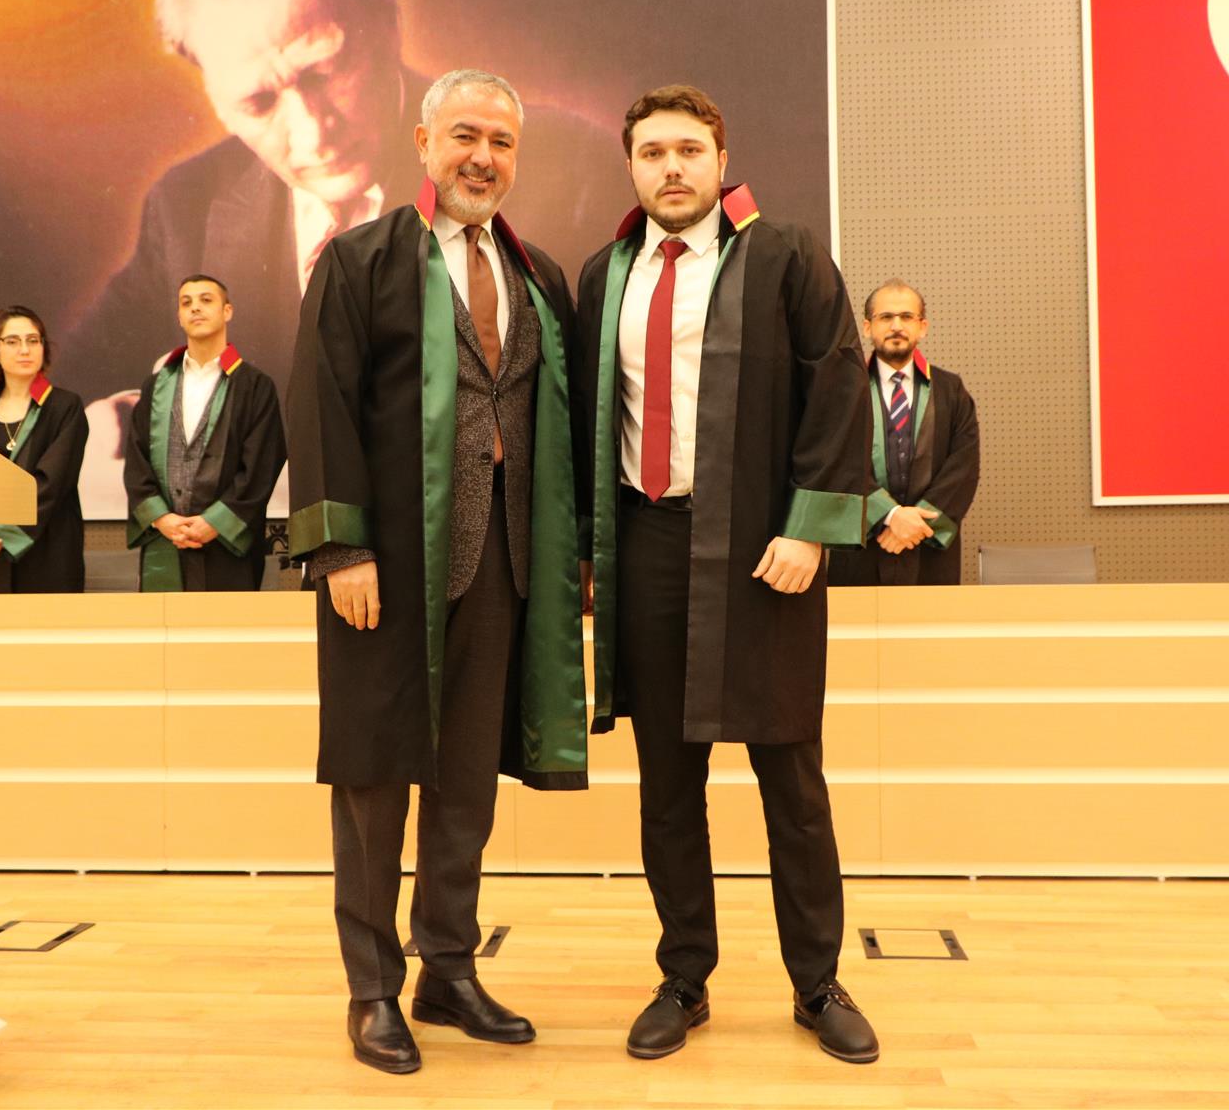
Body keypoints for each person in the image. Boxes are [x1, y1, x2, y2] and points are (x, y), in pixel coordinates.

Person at [68, 0, 608, 516]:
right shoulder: (187, 203)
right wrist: (89, 423)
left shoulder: (568, 170)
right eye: (258, 103)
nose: (312, 132)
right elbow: (61, 380)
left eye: (324, 71)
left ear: (388, 15)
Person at [287, 70, 586, 1075]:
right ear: (422, 141)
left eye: (501, 142)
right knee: (375, 779)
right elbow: (320, 404)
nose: (483, 158)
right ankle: (372, 989)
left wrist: (574, 555)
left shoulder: (540, 276)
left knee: (466, 782)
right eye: (465, 135)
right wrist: (340, 547)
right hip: (386, 567)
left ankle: (447, 969)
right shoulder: (360, 260)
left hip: (504, 561)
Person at [575, 85, 880, 1064]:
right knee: (668, 784)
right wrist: (586, 550)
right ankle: (683, 976)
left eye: (688, 150)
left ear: (721, 158)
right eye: (652, 152)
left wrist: (810, 530)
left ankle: (818, 981)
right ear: (631, 165)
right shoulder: (605, 275)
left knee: (790, 776)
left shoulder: (785, 255)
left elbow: (839, 388)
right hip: (648, 547)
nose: (671, 167)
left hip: (762, 552)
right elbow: (584, 420)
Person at [122, 275, 285, 591]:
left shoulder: (254, 386)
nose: (195, 308)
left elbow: (262, 465)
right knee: (163, 622)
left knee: (225, 623)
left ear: (227, 311)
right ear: (179, 316)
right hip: (166, 539)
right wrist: (162, 519)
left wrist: (215, 522)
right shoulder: (156, 386)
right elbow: (137, 459)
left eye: (206, 300)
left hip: (227, 545)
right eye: (187, 303)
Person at [828, 280, 980, 586]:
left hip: (928, 546)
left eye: (907, 317)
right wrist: (889, 515)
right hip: (861, 547)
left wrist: (915, 524)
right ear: (867, 327)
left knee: (931, 618)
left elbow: (963, 468)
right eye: (886, 317)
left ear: (922, 327)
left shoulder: (951, 391)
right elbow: (835, 463)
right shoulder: (843, 391)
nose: (896, 326)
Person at [0, 307, 88, 594]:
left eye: (33, 340)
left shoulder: (65, 407)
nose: (25, 349)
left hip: (45, 555)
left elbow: (51, 484)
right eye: (12, 341)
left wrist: (0, 532)